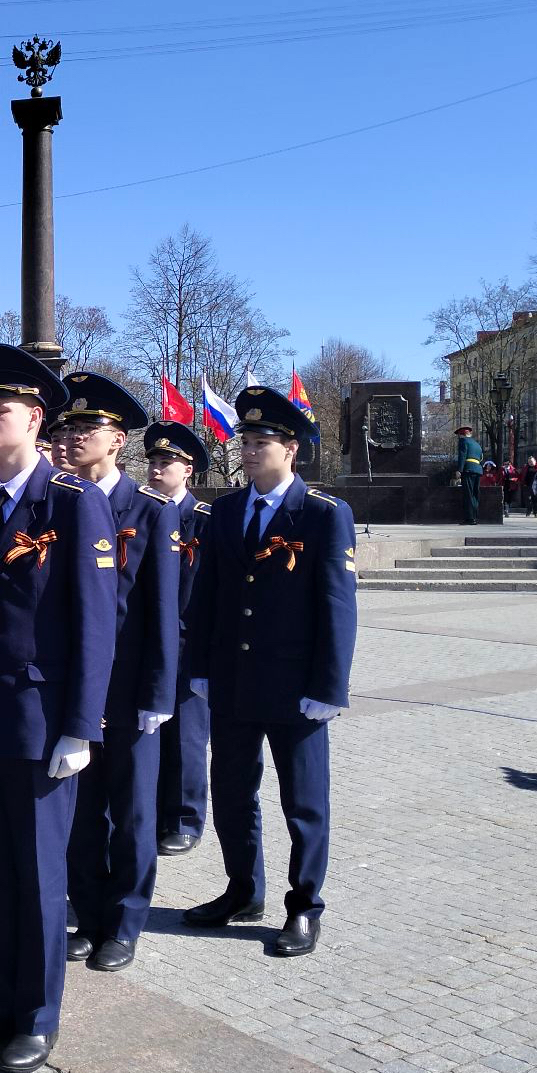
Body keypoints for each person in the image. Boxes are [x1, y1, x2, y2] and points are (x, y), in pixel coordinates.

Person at [0, 344, 116, 1073]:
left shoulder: (73, 502)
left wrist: (80, 725)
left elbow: (94, 623)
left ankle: (36, 1016)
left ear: (34, 419)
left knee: (39, 879)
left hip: (42, 726)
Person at [184, 386, 356, 958]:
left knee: (303, 802)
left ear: (291, 450)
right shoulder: (227, 512)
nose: (249, 451)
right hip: (233, 682)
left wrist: (328, 688)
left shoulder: (323, 514)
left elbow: (337, 605)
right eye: (245, 441)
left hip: (295, 688)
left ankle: (304, 906)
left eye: (261, 442)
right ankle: (242, 890)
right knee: (233, 792)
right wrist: (202, 668)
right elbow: (206, 597)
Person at [52, 373, 180, 974]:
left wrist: (158, 692)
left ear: (118, 439)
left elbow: (162, 611)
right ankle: (88, 914)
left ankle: (125, 922)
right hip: (75, 684)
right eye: (69, 428)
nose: (74, 437)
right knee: (78, 809)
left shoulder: (150, 512)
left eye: (87, 428)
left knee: (131, 813)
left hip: (129, 686)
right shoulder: (59, 500)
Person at [144, 423, 214, 857]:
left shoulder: (203, 520)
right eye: (152, 460)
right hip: (148, 639)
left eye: (165, 462)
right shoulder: (144, 511)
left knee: (187, 736)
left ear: (187, 470)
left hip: (188, 643)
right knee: (149, 733)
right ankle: (151, 811)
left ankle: (185, 817)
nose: (155, 468)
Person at [455, 426, 483, 525]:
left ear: (461, 435)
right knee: (475, 494)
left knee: (468, 494)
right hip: (477, 469)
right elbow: (481, 457)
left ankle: (469, 519)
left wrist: (459, 470)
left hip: (468, 469)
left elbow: (462, 455)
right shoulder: (476, 444)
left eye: (459, 435)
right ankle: (475, 516)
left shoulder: (463, 441)